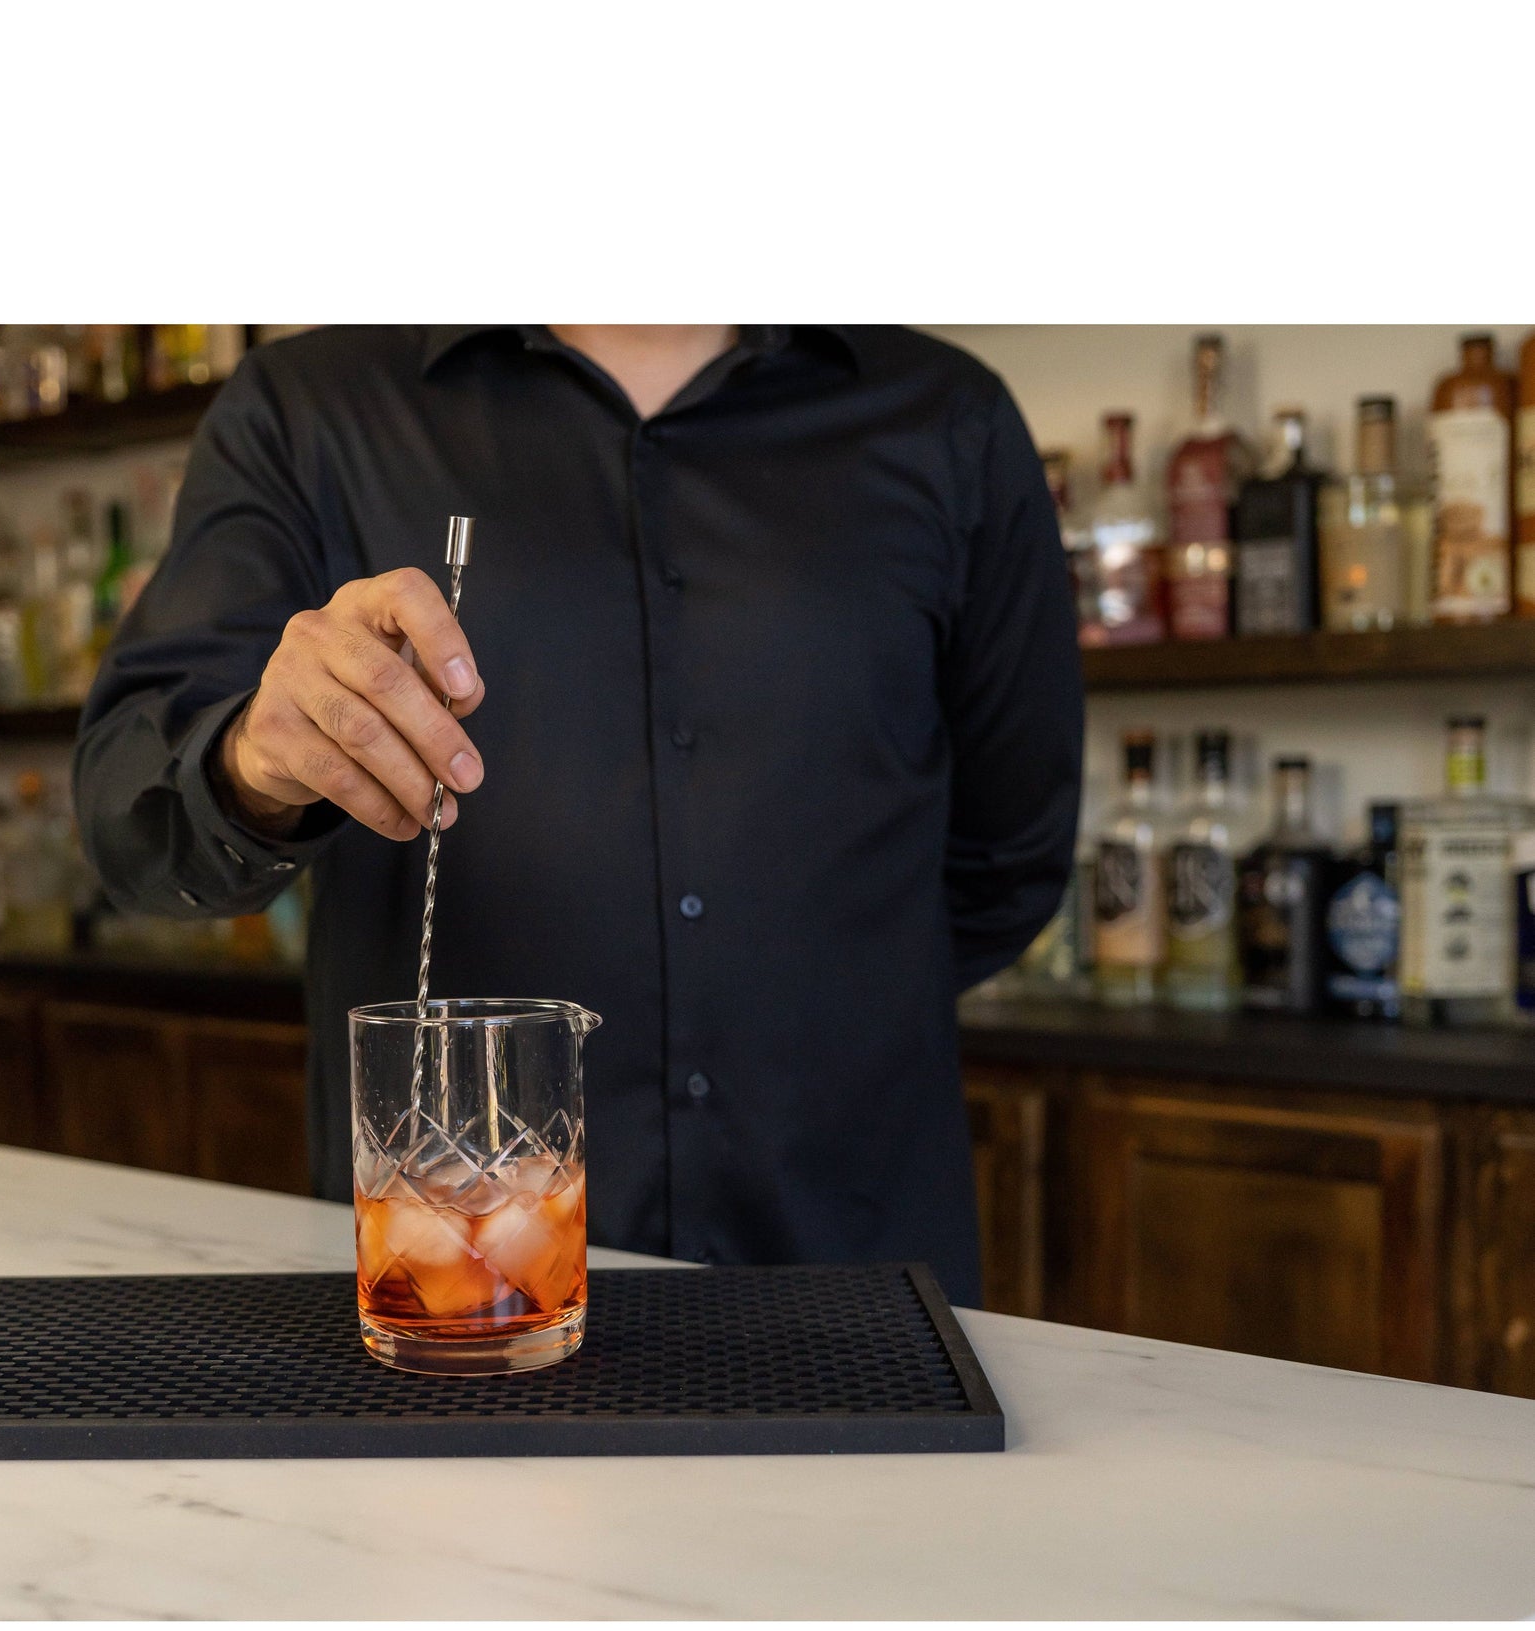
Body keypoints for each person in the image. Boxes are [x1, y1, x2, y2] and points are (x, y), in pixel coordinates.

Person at [74, 326, 1082, 1305]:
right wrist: (253, 757)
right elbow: (132, 822)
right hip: (459, 1290)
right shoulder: (307, 409)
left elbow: (1009, 856)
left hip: (859, 1276)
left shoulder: (948, 416)